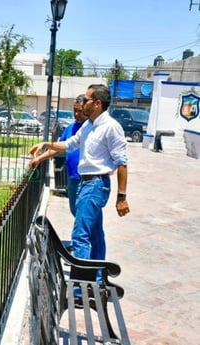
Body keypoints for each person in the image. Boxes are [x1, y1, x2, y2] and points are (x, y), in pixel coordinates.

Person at [29, 84, 130, 262]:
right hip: (86, 183)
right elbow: (69, 144)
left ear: (97, 103)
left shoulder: (111, 127)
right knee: (95, 234)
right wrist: (46, 144)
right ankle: (97, 280)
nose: (82, 103)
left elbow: (121, 163)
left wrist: (121, 196)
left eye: (85, 100)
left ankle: (80, 285)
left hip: (96, 184)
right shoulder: (88, 125)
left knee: (80, 236)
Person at [59, 94, 88, 216]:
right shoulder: (70, 128)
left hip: (86, 180)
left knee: (84, 214)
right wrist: (41, 155)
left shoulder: (91, 128)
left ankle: (82, 235)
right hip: (72, 178)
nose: (76, 114)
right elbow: (59, 146)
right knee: (74, 210)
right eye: (74, 110)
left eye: (80, 111)